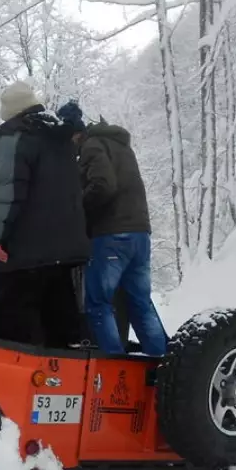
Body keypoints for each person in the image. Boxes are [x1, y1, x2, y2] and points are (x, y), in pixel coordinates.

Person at [57, 100, 168, 357]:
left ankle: (113, 364)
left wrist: (77, 210)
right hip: (140, 233)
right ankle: (162, 362)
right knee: (139, 302)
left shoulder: (91, 146)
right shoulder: (119, 146)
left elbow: (103, 185)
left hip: (111, 235)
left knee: (98, 303)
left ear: (76, 133)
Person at [0, 81, 89, 349]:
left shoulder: (15, 136)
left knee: (12, 326)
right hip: (61, 250)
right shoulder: (60, 137)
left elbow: (7, 193)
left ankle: (11, 385)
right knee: (60, 327)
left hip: (24, 251)